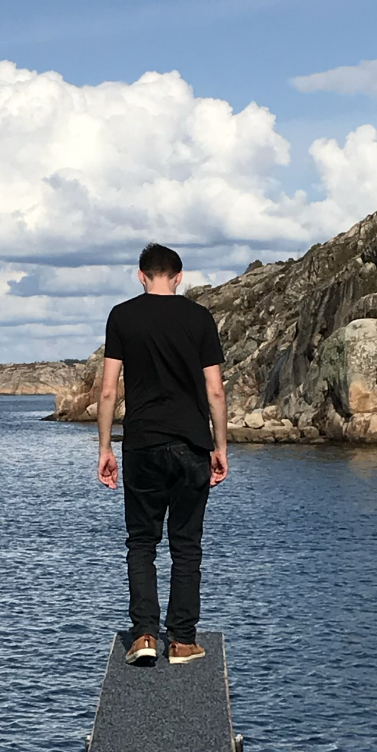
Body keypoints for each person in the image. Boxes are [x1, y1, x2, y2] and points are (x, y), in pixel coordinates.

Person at [95, 243, 228, 665]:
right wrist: (221, 447)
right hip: (191, 444)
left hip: (142, 444)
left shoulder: (122, 316)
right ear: (179, 276)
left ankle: (145, 637)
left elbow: (109, 390)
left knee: (142, 543)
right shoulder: (200, 318)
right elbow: (215, 391)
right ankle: (184, 641)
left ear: (140, 275)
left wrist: (103, 447)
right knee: (186, 546)